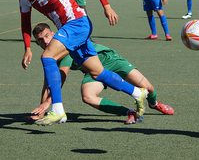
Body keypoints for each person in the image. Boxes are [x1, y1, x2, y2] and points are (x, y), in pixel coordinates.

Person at [19, 0, 147, 126]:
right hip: (71, 30)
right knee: (98, 73)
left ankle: (58, 111)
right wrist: (28, 48)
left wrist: (106, 6)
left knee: (48, 57)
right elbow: (25, 23)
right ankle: (137, 93)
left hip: (78, 23)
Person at [30, 23, 174, 124]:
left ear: (53, 34)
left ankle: (154, 104)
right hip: (93, 71)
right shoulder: (49, 56)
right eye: (41, 40)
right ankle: (129, 112)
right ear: (37, 43)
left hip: (110, 60)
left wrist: (49, 102)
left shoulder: (63, 43)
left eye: (47, 36)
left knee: (148, 89)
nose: (46, 41)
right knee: (88, 97)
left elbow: (62, 76)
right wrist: (41, 111)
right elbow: (48, 84)